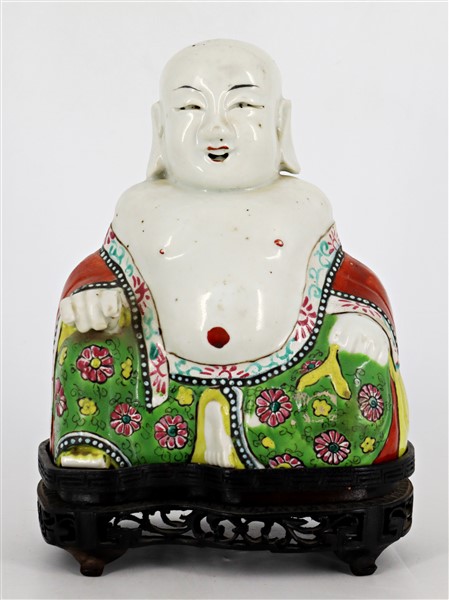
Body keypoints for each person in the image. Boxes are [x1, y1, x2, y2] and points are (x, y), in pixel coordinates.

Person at [52, 40, 408, 470]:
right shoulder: (140, 209)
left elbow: (344, 278)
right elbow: (104, 270)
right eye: (190, 108)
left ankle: (336, 481)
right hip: (157, 397)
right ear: (160, 126)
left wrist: (362, 319)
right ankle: (97, 462)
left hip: (287, 389)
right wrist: (96, 298)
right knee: (86, 350)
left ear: (280, 122)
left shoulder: (302, 207)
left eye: (243, 106)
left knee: (359, 367)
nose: (215, 130)